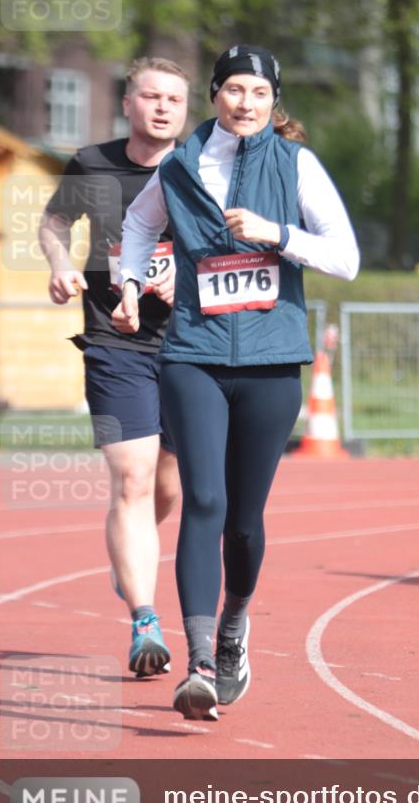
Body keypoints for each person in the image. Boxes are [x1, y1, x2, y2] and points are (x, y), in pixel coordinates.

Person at [116, 44, 359, 719]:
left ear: (273, 101)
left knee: (244, 523)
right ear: (214, 95)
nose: (245, 103)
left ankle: (232, 627)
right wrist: (131, 283)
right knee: (204, 499)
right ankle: (198, 663)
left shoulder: (296, 164)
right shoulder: (180, 166)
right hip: (192, 354)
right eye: (233, 90)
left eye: (259, 93)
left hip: (270, 363)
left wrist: (277, 234)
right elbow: (138, 224)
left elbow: (345, 258)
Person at [38, 57, 190, 678]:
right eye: (151, 96)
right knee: (132, 480)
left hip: (188, 346)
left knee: (169, 487)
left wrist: (190, 278)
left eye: (174, 99)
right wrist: (59, 264)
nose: (162, 107)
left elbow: (233, 247)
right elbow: (54, 222)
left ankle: (129, 556)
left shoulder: (199, 169)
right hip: (114, 343)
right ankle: (144, 621)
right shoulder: (92, 164)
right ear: (127, 104)